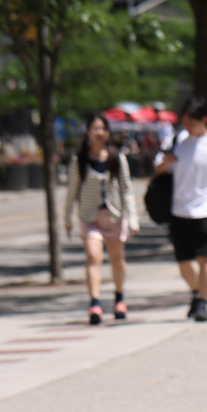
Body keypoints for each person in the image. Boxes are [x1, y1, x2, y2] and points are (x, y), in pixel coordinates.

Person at [154, 96, 207, 323]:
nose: (187, 126)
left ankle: (202, 302)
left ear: (204, 119)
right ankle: (196, 291)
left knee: (204, 258)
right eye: (184, 121)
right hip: (178, 210)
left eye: (192, 121)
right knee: (183, 261)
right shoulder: (179, 141)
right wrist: (165, 164)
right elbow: (160, 170)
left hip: (205, 211)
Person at [64, 112, 138, 325]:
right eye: (95, 128)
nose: (99, 133)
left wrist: (132, 218)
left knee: (117, 259)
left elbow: (126, 190)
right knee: (93, 257)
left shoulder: (117, 157)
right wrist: (67, 216)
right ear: (88, 132)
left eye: (103, 129)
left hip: (113, 216)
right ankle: (95, 302)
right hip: (90, 217)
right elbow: (72, 190)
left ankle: (119, 297)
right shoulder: (80, 160)